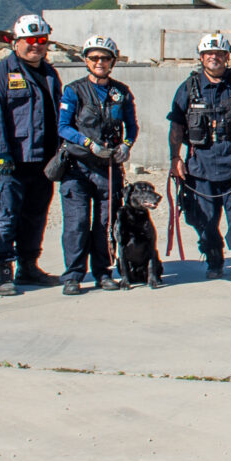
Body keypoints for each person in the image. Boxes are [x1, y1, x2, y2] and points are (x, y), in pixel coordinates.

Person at [168, 32, 231, 283]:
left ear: (227, 56)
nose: (215, 58)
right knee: (205, 219)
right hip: (201, 166)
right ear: (201, 57)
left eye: (220, 54)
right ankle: (213, 258)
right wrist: (174, 158)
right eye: (209, 54)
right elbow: (177, 125)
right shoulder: (188, 88)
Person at [0, 14, 65, 297]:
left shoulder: (50, 74)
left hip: (42, 161)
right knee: (5, 215)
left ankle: (29, 266)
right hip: (11, 162)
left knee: (36, 215)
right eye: (30, 41)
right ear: (16, 42)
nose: (36, 46)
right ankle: (4, 270)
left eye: (41, 41)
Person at [55, 34, 139, 295]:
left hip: (108, 169)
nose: (99, 62)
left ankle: (103, 272)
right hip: (77, 167)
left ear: (113, 61)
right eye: (94, 58)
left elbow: (132, 127)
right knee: (77, 222)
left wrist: (126, 144)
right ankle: (73, 275)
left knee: (105, 223)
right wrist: (88, 143)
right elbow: (63, 127)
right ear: (85, 60)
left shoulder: (121, 92)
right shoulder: (73, 90)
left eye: (105, 58)